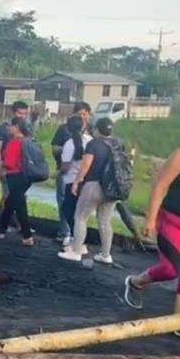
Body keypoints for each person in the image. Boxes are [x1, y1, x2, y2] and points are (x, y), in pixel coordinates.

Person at [123, 116, 180, 333]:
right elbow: (160, 186)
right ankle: (136, 282)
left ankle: (178, 321)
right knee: (170, 269)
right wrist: (150, 219)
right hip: (173, 221)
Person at [58, 118, 121, 264]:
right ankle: (106, 255)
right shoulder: (118, 144)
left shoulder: (94, 144)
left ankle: (76, 251)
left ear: (97, 129)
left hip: (94, 185)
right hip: (112, 188)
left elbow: (86, 165)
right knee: (105, 221)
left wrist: (76, 182)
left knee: (80, 217)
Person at [0, 118, 35, 246]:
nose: (9, 129)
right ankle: (0, 230)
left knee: (19, 206)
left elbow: (9, 162)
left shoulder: (14, 142)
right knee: (11, 202)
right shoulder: (29, 141)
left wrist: (2, 170)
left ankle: (27, 236)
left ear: (17, 127)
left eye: (11, 126)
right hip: (27, 176)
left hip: (15, 176)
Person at [50, 101, 91, 241]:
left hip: (79, 175)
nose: (82, 117)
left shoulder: (92, 132)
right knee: (65, 203)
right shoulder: (64, 130)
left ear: (89, 115)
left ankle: (76, 236)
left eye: (84, 114)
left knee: (75, 206)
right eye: (79, 114)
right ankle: (66, 232)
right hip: (68, 174)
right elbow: (54, 147)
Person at [0, 100, 29, 205]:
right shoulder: (3, 129)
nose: (22, 116)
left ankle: (12, 219)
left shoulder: (26, 129)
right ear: (13, 113)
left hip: (22, 170)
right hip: (7, 168)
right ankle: (3, 219)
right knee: (6, 196)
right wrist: (0, 169)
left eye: (24, 114)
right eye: (19, 113)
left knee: (21, 197)